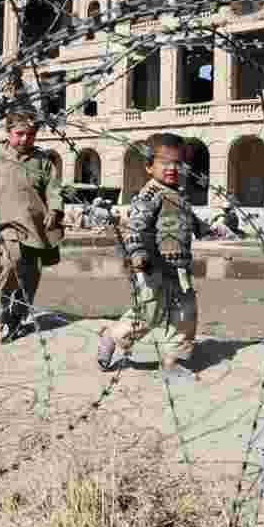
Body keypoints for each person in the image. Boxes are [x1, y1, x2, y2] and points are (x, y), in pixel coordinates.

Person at [97, 133, 210, 381]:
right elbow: (134, 228)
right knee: (149, 313)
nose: (172, 168)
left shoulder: (179, 193)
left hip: (179, 266)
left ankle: (171, 361)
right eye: (164, 162)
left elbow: (186, 219)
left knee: (185, 313)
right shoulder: (149, 196)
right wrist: (137, 254)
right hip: (153, 266)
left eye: (178, 163)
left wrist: (206, 228)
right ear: (149, 166)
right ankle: (113, 335)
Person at [0, 110, 65, 343]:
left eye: (30, 135)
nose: (25, 139)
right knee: (9, 265)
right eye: (19, 134)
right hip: (5, 227)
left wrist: (54, 210)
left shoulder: (44, 162)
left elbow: (54, 190)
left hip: (37, 229)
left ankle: (17, 318)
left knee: (30, 276)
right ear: (8, 133)